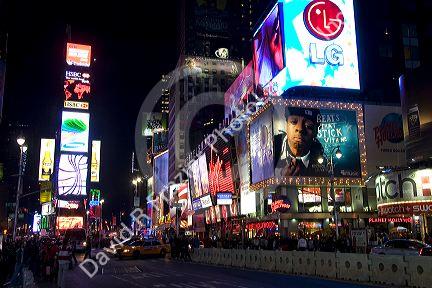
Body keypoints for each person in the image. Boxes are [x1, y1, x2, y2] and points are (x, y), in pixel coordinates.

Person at [275, 107, 326, 177]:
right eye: (293, 122)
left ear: (316, 131)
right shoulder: (270, 150)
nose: (300, 128)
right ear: (286, 124)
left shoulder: (323, 161)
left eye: (308, 126)